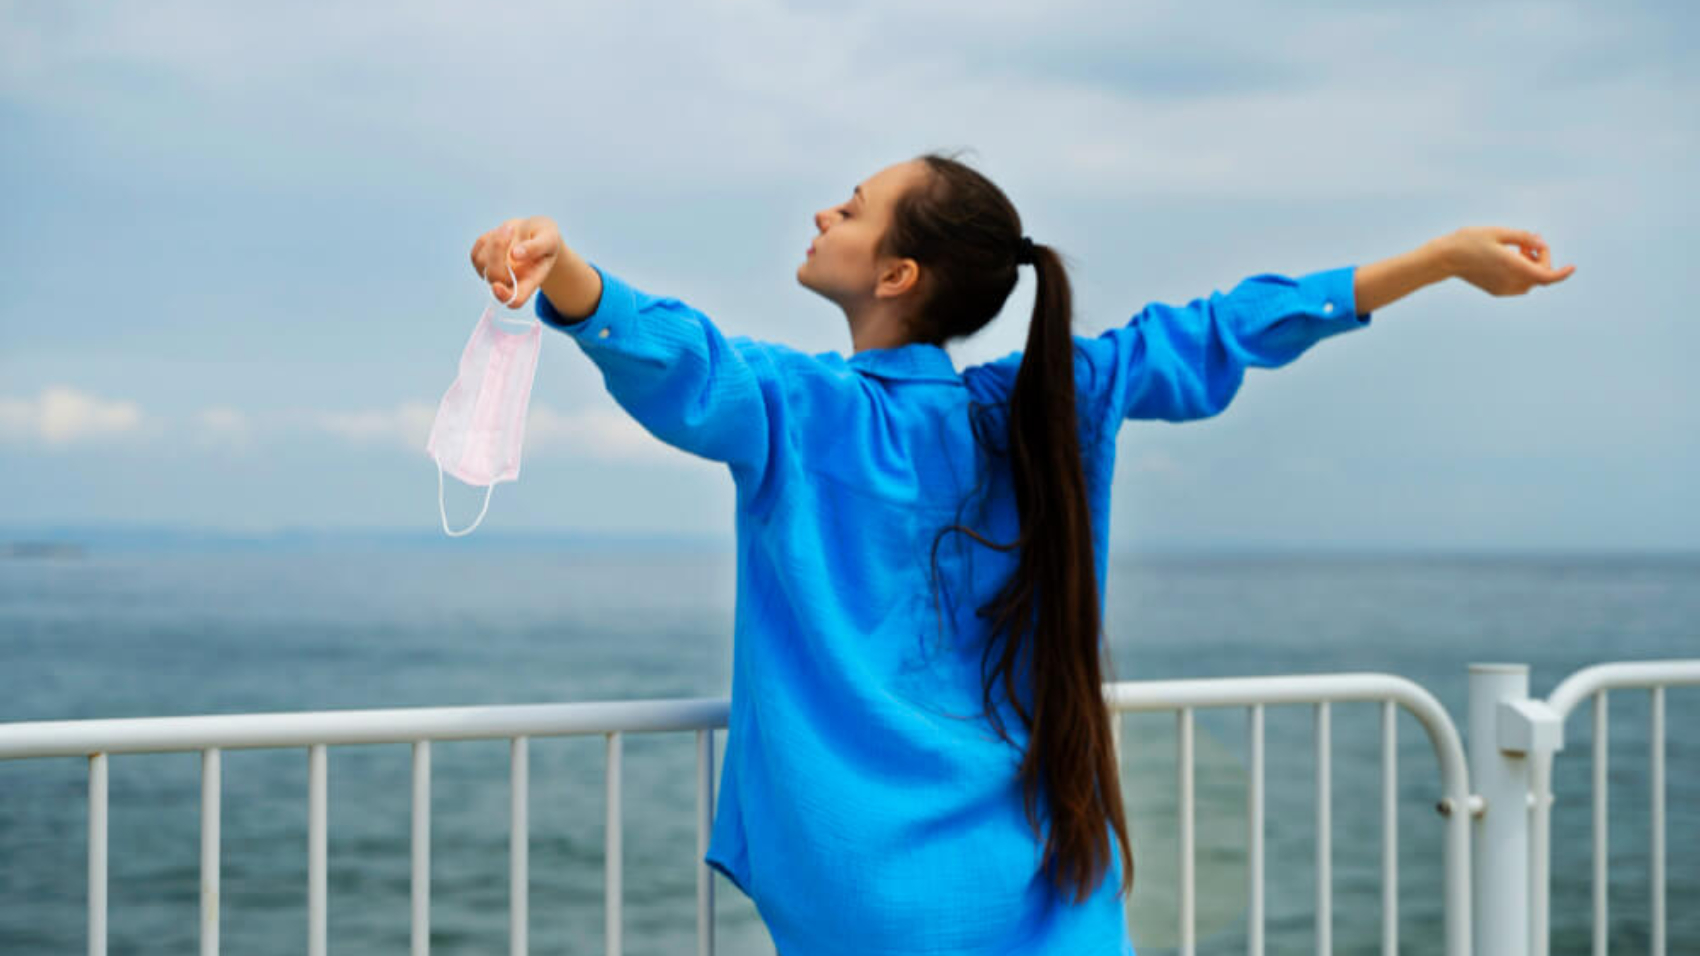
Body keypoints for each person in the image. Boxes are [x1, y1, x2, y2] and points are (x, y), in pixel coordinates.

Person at [467, 150, 1575, 955]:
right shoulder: (1048, 404)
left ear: (896, 274)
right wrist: (1437, 260)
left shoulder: (803, 410)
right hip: (1050, 871)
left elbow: (679, 359)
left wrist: (567, 272)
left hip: (870, 889)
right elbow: (1216, 330)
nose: (823, 211)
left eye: (852, 208)